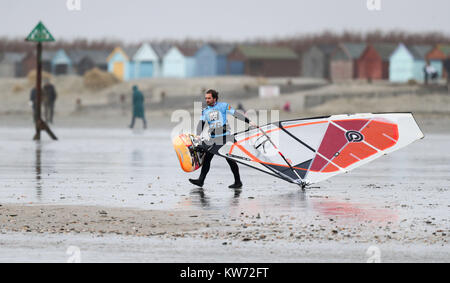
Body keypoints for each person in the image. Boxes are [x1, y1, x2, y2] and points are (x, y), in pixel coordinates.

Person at [189, 89, 256, 189]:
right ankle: (201, 181)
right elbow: (201, 124)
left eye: (209, 98)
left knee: (230, 160)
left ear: (214, 98)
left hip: (225, 137)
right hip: (213, 138)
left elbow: (236, 114)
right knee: (207, 159)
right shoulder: (205, 111)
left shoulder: (224, 106)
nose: (207, 100)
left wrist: (249, 122)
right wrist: (198, 135)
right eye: (206, 98)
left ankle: (238, 182)